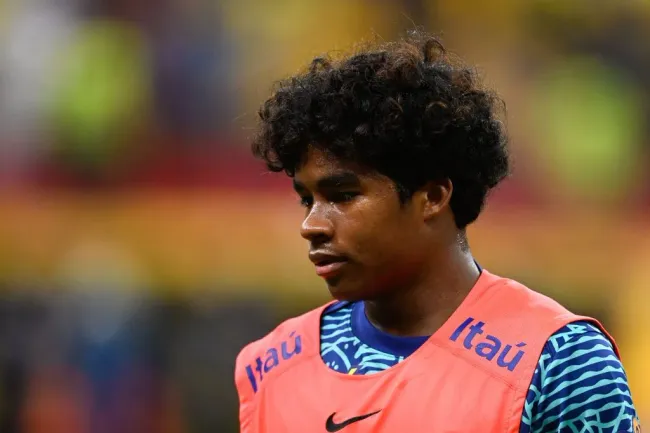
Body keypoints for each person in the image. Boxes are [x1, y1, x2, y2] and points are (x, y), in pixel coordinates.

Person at [235, 30, 640, 433]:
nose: (313, 225)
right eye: (307, 200)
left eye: (342, 196)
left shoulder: (560, 365)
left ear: (432, 195)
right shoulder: (270, 366)